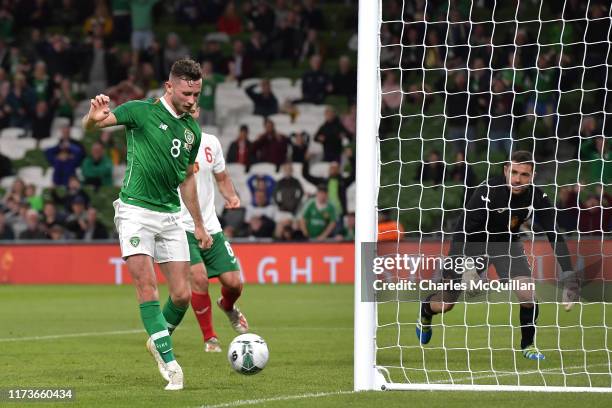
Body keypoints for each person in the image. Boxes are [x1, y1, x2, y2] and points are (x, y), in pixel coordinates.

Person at [82, 58, 211, 391]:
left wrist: (198, 223)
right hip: (135, 212)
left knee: (183, 295)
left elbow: (186, 179)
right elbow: (95, 124)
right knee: (148, 287)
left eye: (196, 94)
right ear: (169, 87)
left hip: (170, 215)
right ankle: (170, 363)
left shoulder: (192, 131)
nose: (192, 101)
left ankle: (157, 338)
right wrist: (91, 118)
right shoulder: (140, 111)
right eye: (186, 93)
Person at [416, 151, 580, 361]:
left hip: (506, 247)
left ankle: (528, 345)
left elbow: (554, 234)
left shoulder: (537, 197)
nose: (518, 179)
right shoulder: (488, 191)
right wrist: (464, 267)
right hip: (472, 246)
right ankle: (426, 310)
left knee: (526, 293)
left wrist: (568, 274)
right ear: (505, 170)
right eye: (514, 172)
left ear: (533, 176)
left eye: (524, 174)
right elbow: (462, 231)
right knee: (446, 304)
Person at [179, 130, 249, 353]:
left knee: (234, 282)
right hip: (181, 227)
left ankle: (227, 305)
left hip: (211, 227)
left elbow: (222, 177)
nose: (190, 106)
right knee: (199, 278)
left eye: (194, 101)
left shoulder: (211, 142)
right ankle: (210, 338)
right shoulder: (168, 141)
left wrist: (231, 195)